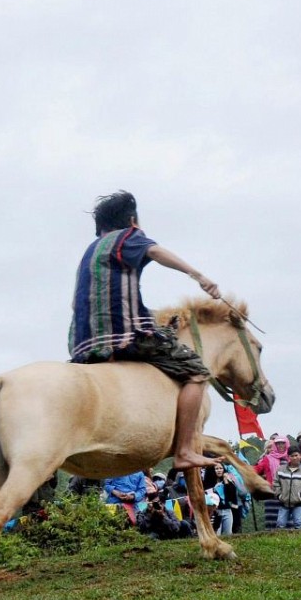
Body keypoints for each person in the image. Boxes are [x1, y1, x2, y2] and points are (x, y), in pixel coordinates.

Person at [68, 190, 222, 472]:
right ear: (132, 220)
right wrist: (198, 275)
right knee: (197, 371)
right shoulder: (128, 236)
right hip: (122, 336)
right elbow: (156, 252)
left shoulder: (89, 253)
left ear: (99, 226)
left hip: (81, 344)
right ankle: (186, 450)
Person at [273, 449, 301, 530]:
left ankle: (299, 541)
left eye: (296, 455)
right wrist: (279, 495)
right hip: (284, 503)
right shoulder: (280, 470)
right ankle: (279, 541)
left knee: (299, 523)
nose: (294, 458)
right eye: (292, 456)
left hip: (298, 503)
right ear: (288, 457)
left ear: (300, 456)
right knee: (280, 524)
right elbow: (275, 483)